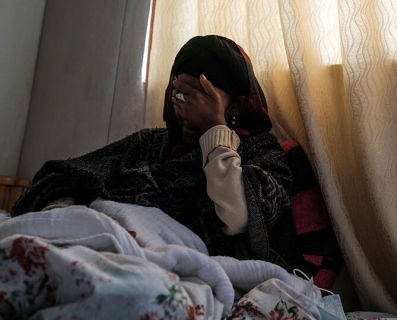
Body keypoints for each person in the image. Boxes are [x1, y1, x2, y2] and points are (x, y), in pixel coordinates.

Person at [10, 35, 314, 273]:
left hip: (164, 261)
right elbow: (68, 176)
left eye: (202, 96)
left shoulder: (261, 152)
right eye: (179, 94)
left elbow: (238, 217)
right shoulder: (151, 143)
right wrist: (62, 216)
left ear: (235, 104)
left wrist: (213, 128)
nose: (185, 109)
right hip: (96, 244)